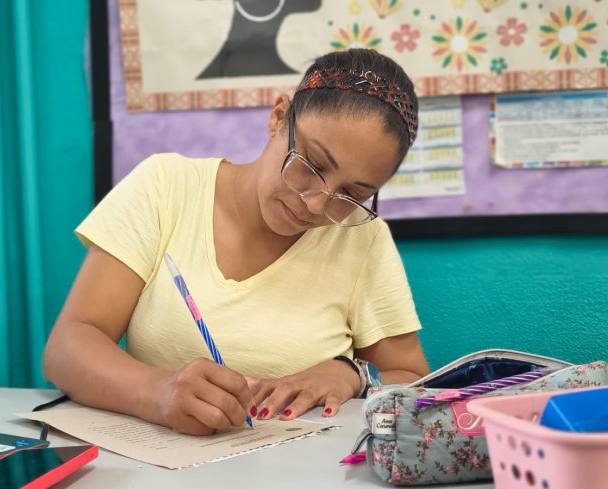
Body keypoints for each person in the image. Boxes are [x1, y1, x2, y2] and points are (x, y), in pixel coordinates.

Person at [43, 48, 430, 436]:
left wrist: (351, 374)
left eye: (353, 194)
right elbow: (69, 347)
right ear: (279, 118)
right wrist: (159, 394)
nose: (316, 203)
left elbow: (411, 377)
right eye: (311, 163)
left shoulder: (362, 238)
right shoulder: (165, 187)